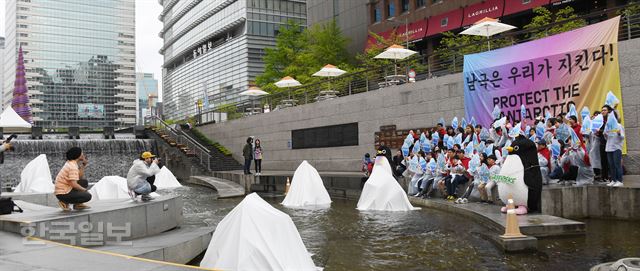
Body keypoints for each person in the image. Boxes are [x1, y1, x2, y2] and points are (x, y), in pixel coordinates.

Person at [55, 147, 92, 211]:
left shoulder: (71, 163)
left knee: (84, 182)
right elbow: (74, 184)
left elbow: (79, 177)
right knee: (88, 196)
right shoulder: (72, 167)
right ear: (78, 155)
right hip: (63, 193)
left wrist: (83, 166)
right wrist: (84, 190)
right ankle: (64, 202)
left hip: (65, 189)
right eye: (81, 153)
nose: (83, 154)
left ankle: (77, 204)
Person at [604, 110, 625, 187]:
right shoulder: (607, 126)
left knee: (617, 164)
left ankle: (620, 180)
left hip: (616, 147)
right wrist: (605, 134)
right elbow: (606, 138)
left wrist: (619, 133)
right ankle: (613, 180)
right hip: (609, 147)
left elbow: (622, 137)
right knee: (611, 165)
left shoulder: (619, 126)